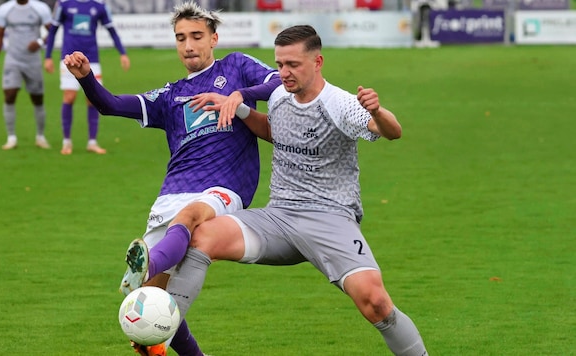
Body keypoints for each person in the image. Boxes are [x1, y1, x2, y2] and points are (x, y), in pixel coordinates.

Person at [163, 25, 429, 355]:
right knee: (202, 236)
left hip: (330, 219)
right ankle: (160, 329)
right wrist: (241, 110)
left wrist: (376, 110)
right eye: (279, 65)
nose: (284, 73)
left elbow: (392, 131)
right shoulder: (278, 97)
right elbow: (276, 132)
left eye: (293, 65)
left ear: (317, 62)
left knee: (376, 302)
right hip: (279, 218)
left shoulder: (339, 103)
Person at [62, 2, 281, 354]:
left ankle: (151, 261)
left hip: (223, 187)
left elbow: (276, 81)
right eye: (181, 38)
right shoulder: (170, 95)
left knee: (192, 216)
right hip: (171, 193)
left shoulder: (236, 66)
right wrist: (86, 77)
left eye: (197, 36)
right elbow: (111, 105)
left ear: (214, 39)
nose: (189, 45)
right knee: (147, 322)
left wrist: (239, 96)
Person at [44, 0, 131, 155]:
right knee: (69, 97)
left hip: (92, 60)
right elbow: (53, 30)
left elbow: (111, 30)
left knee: (93, 100)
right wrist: (48, 56)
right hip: (69, 59)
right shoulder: (63, 4)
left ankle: (92, 142)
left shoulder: (99, 5)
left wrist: (122, 53)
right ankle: (67, 142)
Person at [0, 0, 53, 150]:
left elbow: (53, 30)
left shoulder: (40, 8)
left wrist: (39, 42)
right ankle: (11, 137)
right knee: (10, 94)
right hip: (13, 59)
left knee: (37, 98)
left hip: (33, 60)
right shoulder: (5, 9)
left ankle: (40, 136)